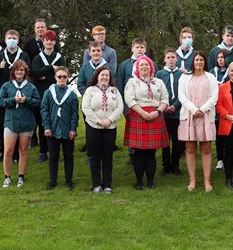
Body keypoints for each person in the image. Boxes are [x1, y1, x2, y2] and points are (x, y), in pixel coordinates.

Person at [124, 56, 169, 190]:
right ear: (137, 68)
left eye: (147, 65)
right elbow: (130, 100)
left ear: (151, 67)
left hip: (156, 116)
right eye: (141, 65)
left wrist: (158, 112)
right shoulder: (132, 82)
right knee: (139, 153)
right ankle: (139, 182)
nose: (144, 67)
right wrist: (143, 113)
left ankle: (150, 181)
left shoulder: (159, 82)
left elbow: (165, 98)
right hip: (138, 116)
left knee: (151, 152)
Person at [178, 51, 219, 192]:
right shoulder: (184, 77)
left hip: (205, 115)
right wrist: (194, 109)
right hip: (189, 114)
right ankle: (192, 180)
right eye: (197, 60)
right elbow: (181, 96)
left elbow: (214, 96)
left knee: (206, 148)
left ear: (205, 62)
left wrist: (202, 109)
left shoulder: (211, 77)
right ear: (193, 62)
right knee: (190, 148)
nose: (199, 62)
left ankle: (207, 181)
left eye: (201, 60)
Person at [0, 60, 40, 187]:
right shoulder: (7, 86)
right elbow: (0, 101)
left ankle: (21, 176)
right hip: (11, 122)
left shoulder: (31, 86)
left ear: (25, 72)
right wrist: (13, 100)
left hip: (26, 122)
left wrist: (27, 100)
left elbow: (38, 102)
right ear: (13, 72)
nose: (19, 72)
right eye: (17, 70)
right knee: (8, 150)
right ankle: (7, 177)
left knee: (23, 150)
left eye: (22, 70)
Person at [82, 66, 124, 194]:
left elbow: (119, 107)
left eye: (107, 75)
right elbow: (85, 107)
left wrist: (109, 120)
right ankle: (96, 184)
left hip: (110, 128)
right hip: (94, 127)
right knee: (94, 156)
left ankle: (107, 184)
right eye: (102, 75)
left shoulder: (114, 91)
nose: (105, 77)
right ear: (97, 76)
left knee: (107, 156)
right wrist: (98, 121)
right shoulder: (90, 90)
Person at [117, 38, 159, 164]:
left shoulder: (152, 64)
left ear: (145, 49)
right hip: (129, 103)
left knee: (147, 127)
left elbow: (156, 85)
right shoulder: (124, 65)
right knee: (132, 127)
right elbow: (120, 84)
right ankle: (133, 154)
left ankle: (148, 152)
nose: (139, 49)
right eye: (137, 47)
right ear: (132, 48)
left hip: (148, 103)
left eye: (142, 47)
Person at [0, 29, 31, 162]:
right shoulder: (0, 55)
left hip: (20, 94)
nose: (12, 40)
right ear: (5, 40)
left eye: (14, 38)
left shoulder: (23, 55)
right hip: (4, 94)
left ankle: (16, 154)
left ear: (18, 40)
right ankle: (4, 152)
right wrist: (0, 67)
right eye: (9, 38)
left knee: (17, 123)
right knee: (2, 123)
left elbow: (28, 72)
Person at [41, 67, 79, 191]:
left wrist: (73, 129)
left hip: (67, 130)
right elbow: (44, 110)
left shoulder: (72, 95)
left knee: (69, 156)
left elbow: (75, 114)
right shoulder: (48, 93)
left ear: (67, 77)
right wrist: (46, 127)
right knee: (53, 156)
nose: (62, 79)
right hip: (52, 130)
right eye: (59, 76)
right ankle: (53, 181)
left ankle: (69, 181)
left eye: (64, 77)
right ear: (55, 77)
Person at [31, 29, 66, 164]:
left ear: (54, 42)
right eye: (47, 39)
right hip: (41, 95)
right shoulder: (37, 58)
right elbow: (34, 73)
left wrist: (45, 76)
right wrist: (51, 68)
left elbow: (62, 75)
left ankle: (55, 152)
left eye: (52, 40)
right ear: (43, 41)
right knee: (42, 123)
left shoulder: (60, 57)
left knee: (56, 122)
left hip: (57, 94)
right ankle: (43, 152)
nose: (49, 42)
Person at [155, 48, 183, 176]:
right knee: (165, 140)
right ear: (165, 59)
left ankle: (175, 165)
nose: (171, 60)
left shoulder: (182, 75)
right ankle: (165, 165)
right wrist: (165, 106)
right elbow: (157, 92)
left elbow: (184, 93)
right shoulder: (160, 74)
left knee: (177, 140)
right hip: (164, 112)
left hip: (178, 112)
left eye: (173, 57)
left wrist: (175, 105)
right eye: (168, 57)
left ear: (177, 59)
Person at [210, 48, 230, 170]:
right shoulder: (212, 72)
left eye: (223, 57)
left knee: (227, 136)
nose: (220, 60)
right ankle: (220, 159)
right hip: (215, 109)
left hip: (227, 108)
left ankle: (228, 158)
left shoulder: (231, 71)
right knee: (218, 136)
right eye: (219, 58)